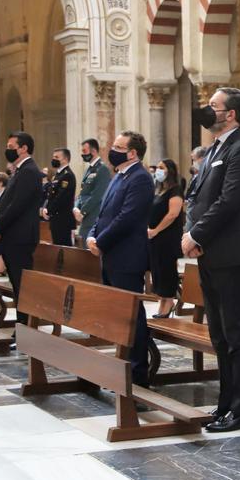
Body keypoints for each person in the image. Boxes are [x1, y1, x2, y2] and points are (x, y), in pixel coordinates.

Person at [183, 88, 240, 433]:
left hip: (232, 254)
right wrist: (193, 234)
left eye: (213, 107)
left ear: (230, 114)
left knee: (235, 333)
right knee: (218, 333)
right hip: (211, 253)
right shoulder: (216, 147)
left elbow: (229, 202)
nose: (207, 111)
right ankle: (224, 404)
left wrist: (197, 235)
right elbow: (196, 197)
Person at [87, 131, 154, 384]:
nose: (111, 149)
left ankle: (138, 375)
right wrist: (92, 236)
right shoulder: (119, 176)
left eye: (117, 146)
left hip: (126, 257)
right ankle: (122, 367)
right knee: (118, 316)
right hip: (111, 255)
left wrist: (101, 242)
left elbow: (127, 218)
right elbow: (104, 212)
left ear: (132, 152)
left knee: (132, 318)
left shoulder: (140, 179)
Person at [0, 132, 43, 323]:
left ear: (24, 148)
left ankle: (24, 327)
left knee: (22, 286)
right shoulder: (20, 170)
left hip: (20, 237)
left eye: (12, 147)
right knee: (17, 284)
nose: (8, 150)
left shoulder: (29, 171)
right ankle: (21, 326)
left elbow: (18, 205)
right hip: (13, 236)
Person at [148, 159, 185, 318]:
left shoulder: (175, 190)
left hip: (167, 238)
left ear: (170, 171)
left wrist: (156, 230)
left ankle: (168, 301)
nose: (158, 170)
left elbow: (172, 214)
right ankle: (162, 301)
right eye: (157, 168)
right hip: (155, 238)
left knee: (167, 270)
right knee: (158, 270)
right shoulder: (159, 190)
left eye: (161, 168)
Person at [74, 138, 111, 246]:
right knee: (82, 250)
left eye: (84, 151)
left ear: (93, 151)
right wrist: (76, 207)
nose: (82, 154)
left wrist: (82, 212)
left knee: (88, 253)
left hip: (93, 216)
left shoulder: (102, 169)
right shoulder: (88, 169)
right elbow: (82, 192)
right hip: (85, 217)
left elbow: (97, 195)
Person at [41, 147, 76, 246]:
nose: (54, 159)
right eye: (53, 157)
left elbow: (61, 197)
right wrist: (46, 208)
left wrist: (48, 210)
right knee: (57, 247)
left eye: (57, 157)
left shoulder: (67, 175)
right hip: (55, 218)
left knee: (64, 249)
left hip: (63, 219)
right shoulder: (57, 175)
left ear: (65, 159)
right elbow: (51, 195)